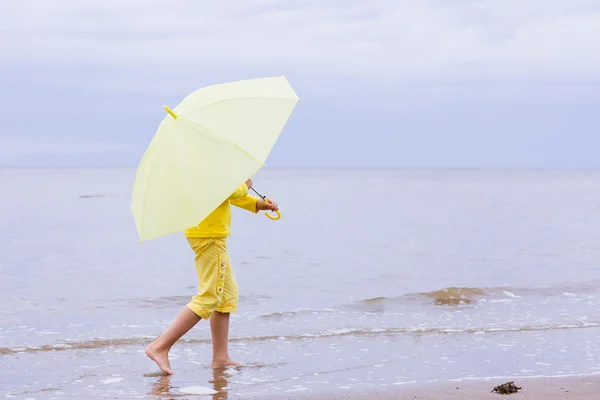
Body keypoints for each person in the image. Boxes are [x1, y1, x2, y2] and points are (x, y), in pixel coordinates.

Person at [145, 178, 278, 375]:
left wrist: (257, 204)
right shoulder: (200, 170)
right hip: (208, 236)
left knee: (226, 296)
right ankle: (160, 346)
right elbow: (225, 189)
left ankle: (221, 358)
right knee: (210, 296)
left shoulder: (212, 169)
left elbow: (225, 195)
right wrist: (245, 185)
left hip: (211, 235)